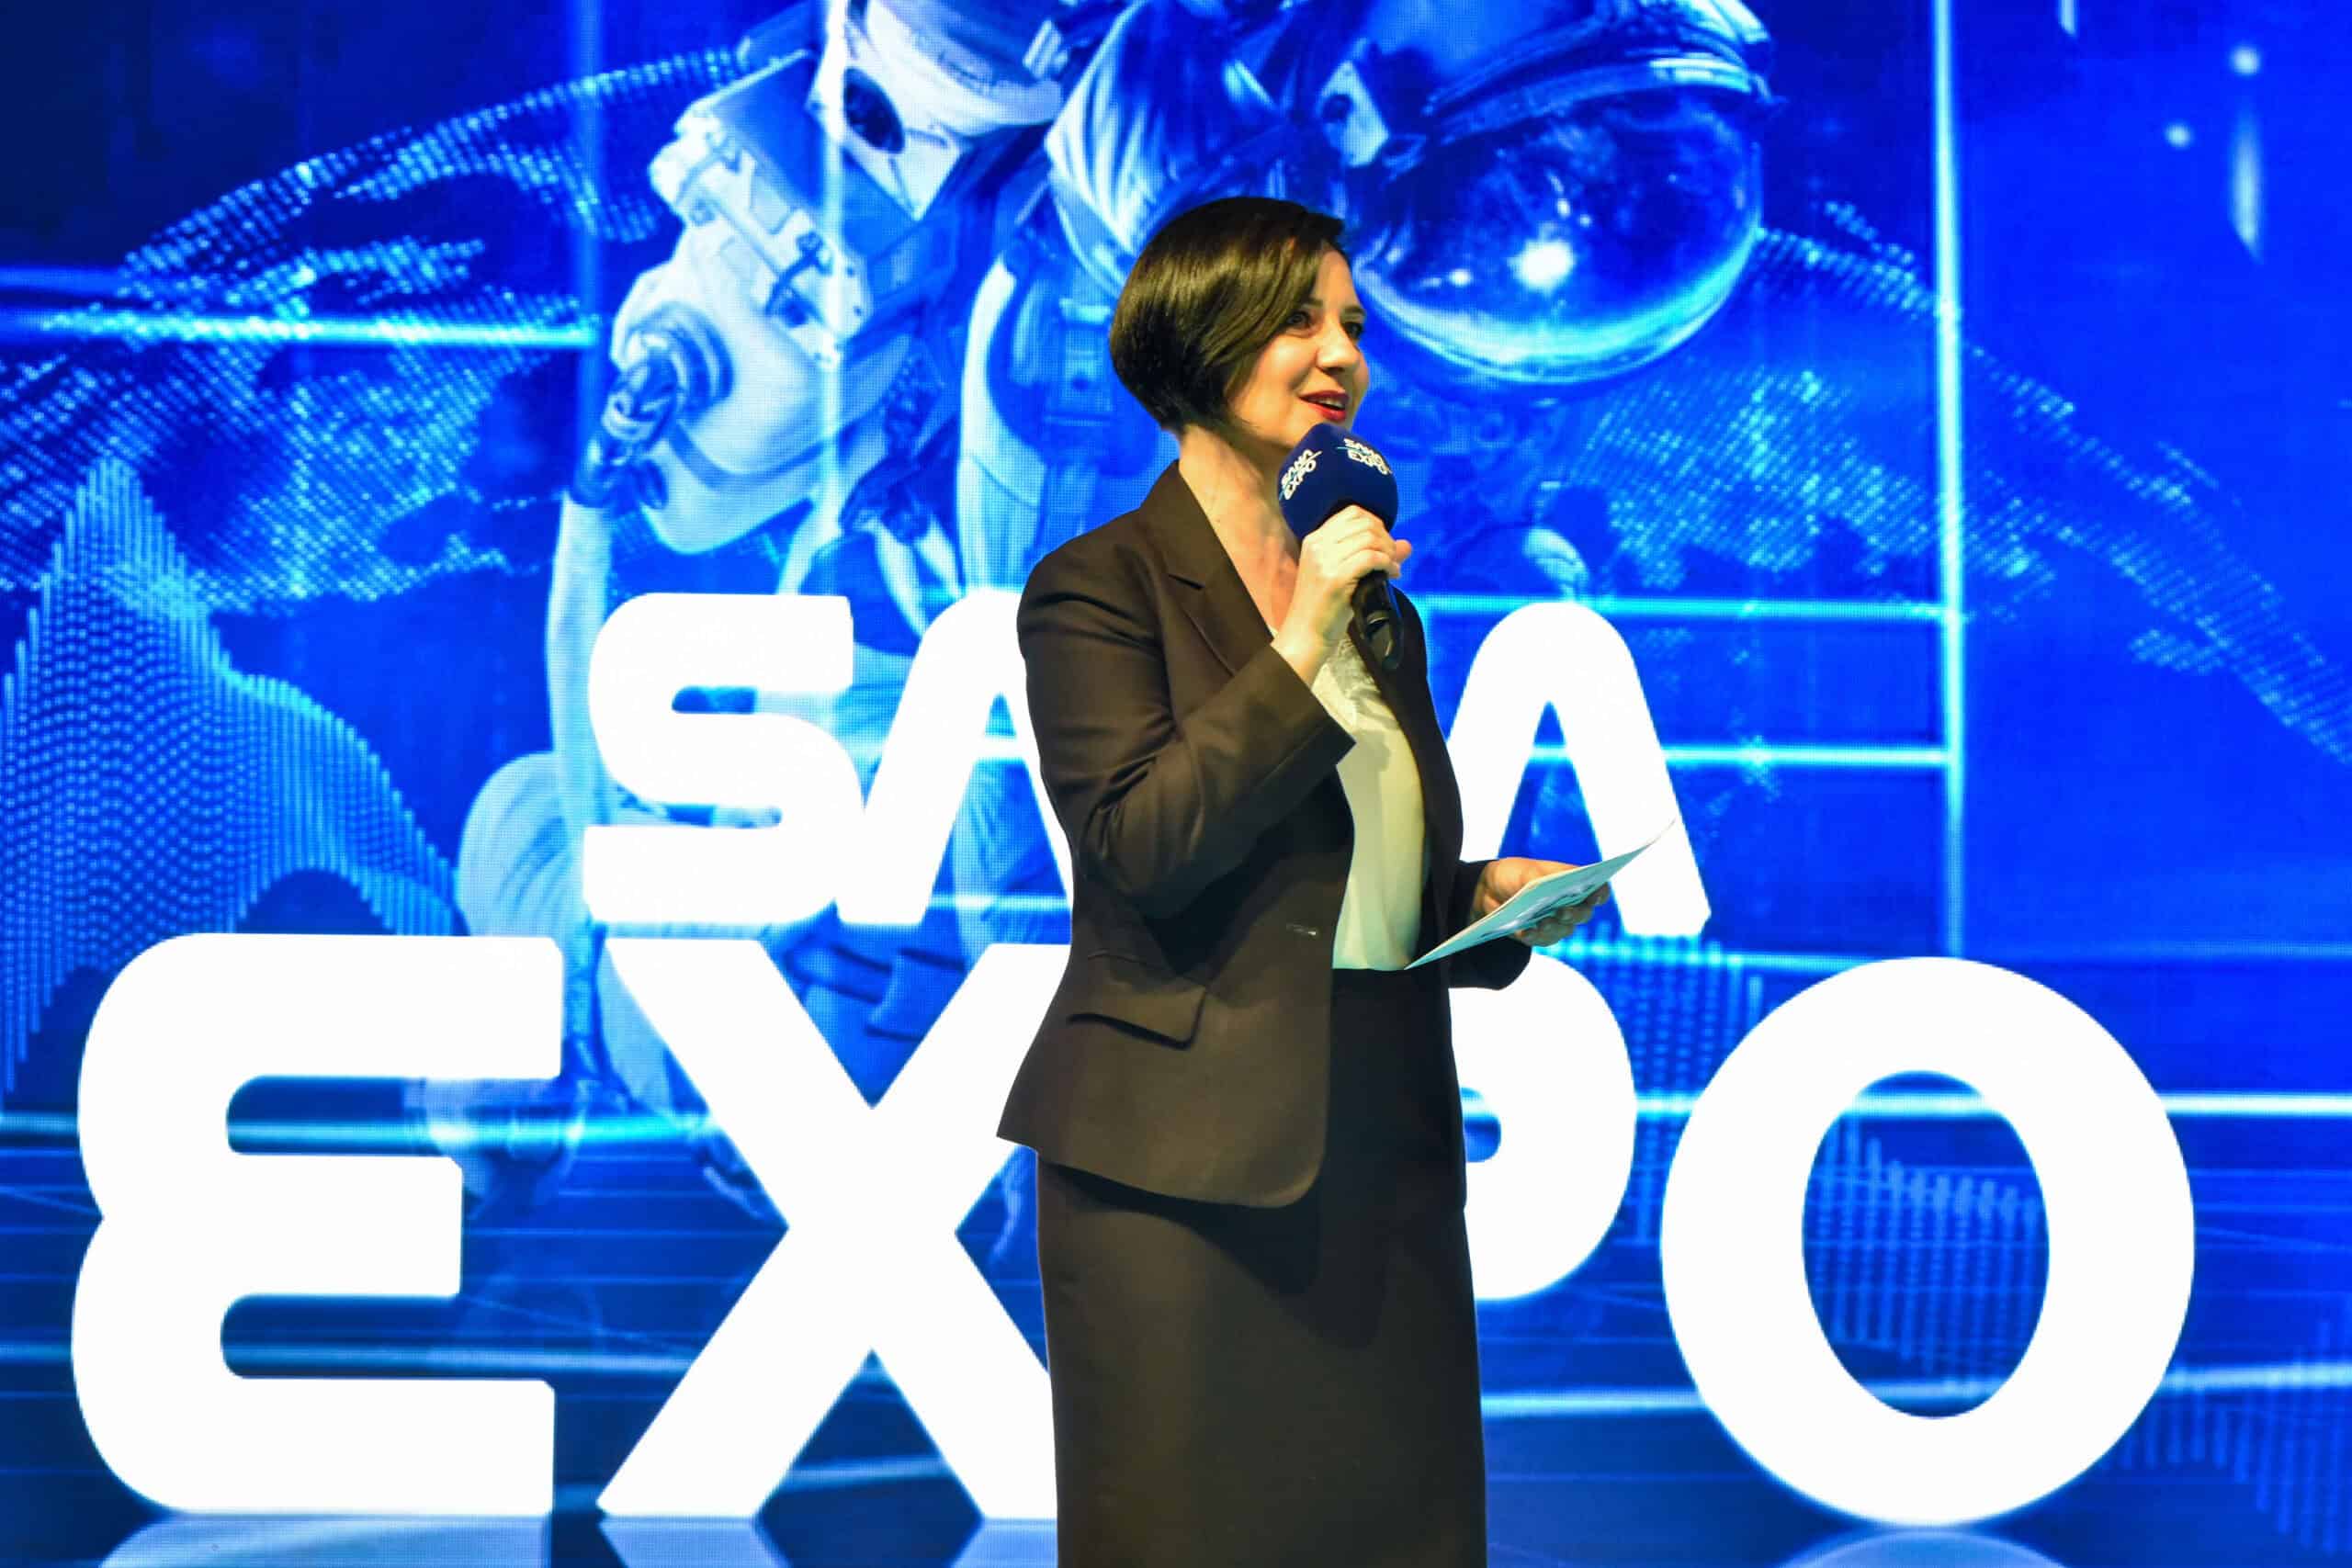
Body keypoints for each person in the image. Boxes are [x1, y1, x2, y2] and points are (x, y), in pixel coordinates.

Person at [998, 194, 1612, 1566]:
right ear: (1196, 340)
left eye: (1352, 325)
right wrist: (1300, 637)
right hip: (1181, 1185)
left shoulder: (1379, 611)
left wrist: (1480, 902)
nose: (1341, 356)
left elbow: (1355, 881)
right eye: (1297, 322)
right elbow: (1145, 848)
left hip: (1381, 1167)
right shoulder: (1099, 589)